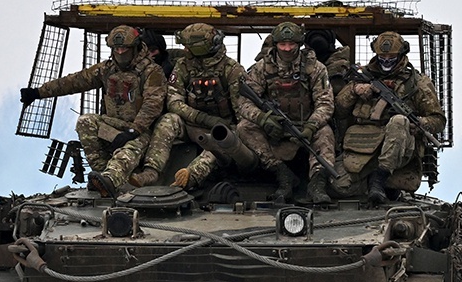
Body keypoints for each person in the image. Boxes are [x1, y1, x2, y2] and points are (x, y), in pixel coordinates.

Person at [20, 25, 173, 197]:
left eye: (125, 48)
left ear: (135, 47)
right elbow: (75, 81)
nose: (121, 53)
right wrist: (38, 93)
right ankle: (100, 175)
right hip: (114, 125)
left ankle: (110, 178)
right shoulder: (107, 69)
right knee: (85, 121)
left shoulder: (152, 72)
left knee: (129, 149)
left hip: (142, 131)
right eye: (117, 49)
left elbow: (152, 105)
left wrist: (133, 130)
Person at [131, 23, 258, 189]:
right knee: (169, 120)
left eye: (187, 46)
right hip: (191, 125)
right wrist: (203, 118)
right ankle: (151, 172)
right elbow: (174, 102)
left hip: (223, 127)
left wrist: (235, 131)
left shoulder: (232, 70)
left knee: (222, 138)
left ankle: (189, 177)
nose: (184, 50)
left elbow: (241, 109)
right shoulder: (184, 66)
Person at [333, 31, 446, 203]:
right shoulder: (364, 77)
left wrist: (420, 123)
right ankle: (379, 186)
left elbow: (438, 120)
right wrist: (355, 90)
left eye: (391, 57)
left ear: (401, 55)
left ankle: (380, 179)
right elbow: (339, 110)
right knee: (338, 185)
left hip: (399, 148)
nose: (386, 61)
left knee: (399, 121)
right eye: (382, 57)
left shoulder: (418, 82)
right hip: (363, 145)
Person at [237, 22, 335, 203]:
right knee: (244, 127)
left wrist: (312, 126)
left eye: (292, 44)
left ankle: (317, 185)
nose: (287, 49)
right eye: (283, 44)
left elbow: (325, 103)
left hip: (305, 125)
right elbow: (244, 102)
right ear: (275, 45)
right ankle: (282, 175)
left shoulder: (315, 68)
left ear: (300, 44)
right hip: (274, 125)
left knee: (325, 133)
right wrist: (263, 118)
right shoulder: (261, 68)